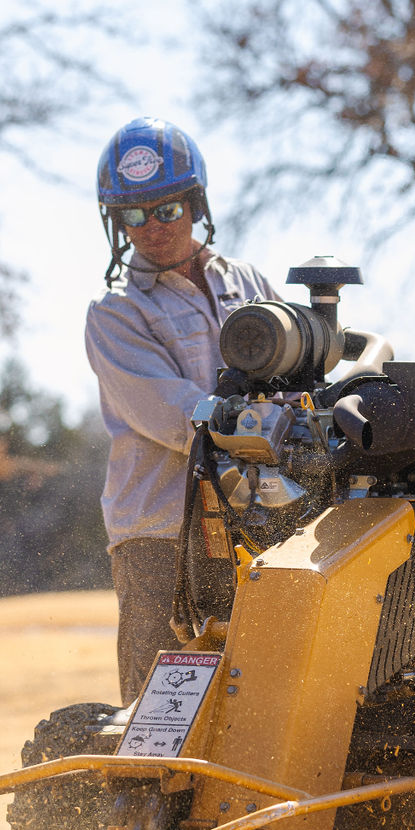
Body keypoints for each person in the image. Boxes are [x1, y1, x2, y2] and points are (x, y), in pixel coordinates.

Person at [85, 116, 279, 705]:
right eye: (134, 215)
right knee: (161, 703)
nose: (151, 228)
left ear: (195, 203)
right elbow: (173, 415)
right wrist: (262, 424)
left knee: (261, 687)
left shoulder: (246, 281)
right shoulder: (115, 314)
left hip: (255, 516)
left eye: (165, 209)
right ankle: (147, 793)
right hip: (160, 530)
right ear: (117, 222)